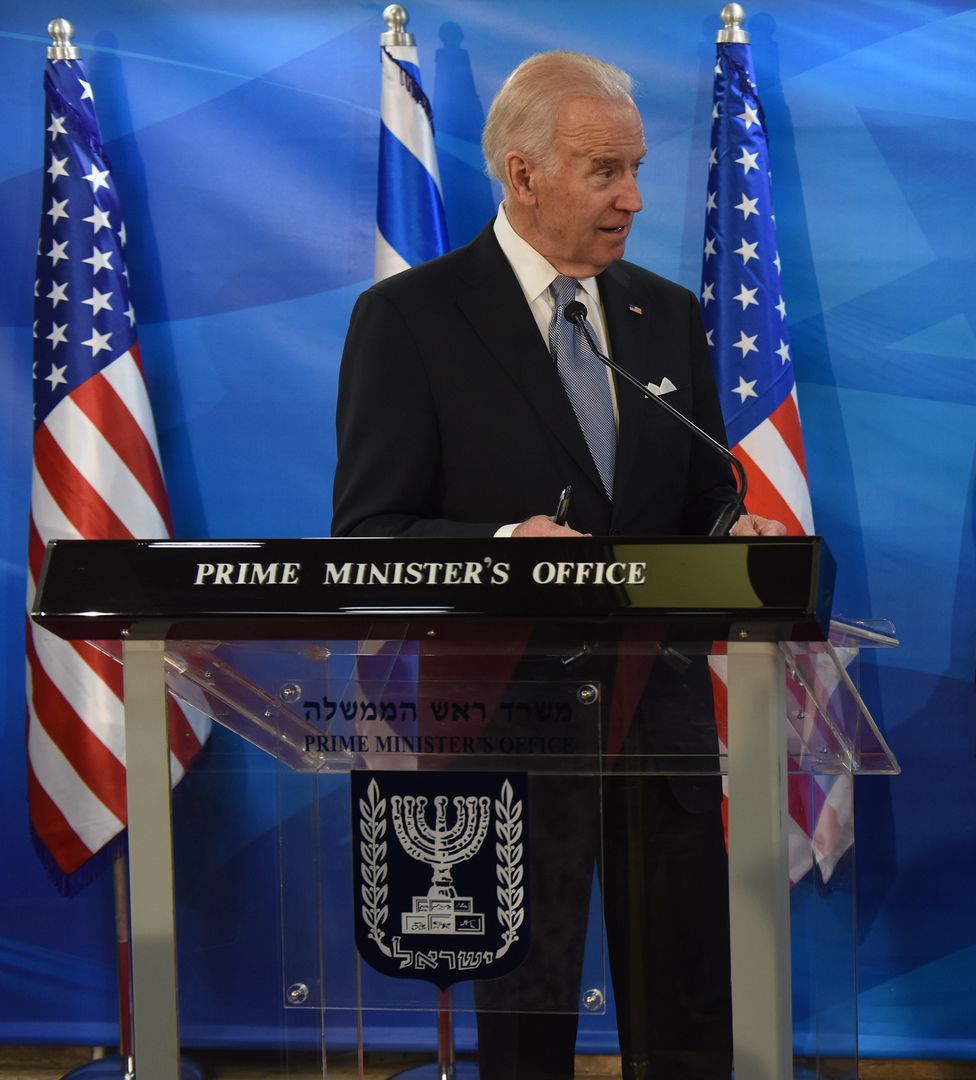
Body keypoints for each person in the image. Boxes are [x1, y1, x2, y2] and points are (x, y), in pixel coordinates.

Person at [334, 50, 782, 1078]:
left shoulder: (664, 314)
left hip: (658, 728)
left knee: (688, 1024)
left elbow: (705, 493)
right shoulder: (412, 319)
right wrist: (501, 555)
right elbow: (368, 535)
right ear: (521, 173)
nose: (631, 198)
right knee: (526, 1038)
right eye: (602, 171)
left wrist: (731, 536)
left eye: (636, 169)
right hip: (506, 731)